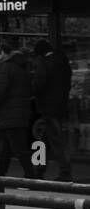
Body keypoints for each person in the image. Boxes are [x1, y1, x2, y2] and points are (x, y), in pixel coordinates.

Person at [0, 42, 37, 179]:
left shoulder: (6, 68)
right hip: (20, 112)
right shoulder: (23, 69)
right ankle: (0, 172)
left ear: (5, 53)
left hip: (8, 112)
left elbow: (0, 90)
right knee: (8, 146)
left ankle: (30, 174)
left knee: (17, 146)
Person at [31, 39, 75, 182]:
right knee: (46, 138)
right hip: (61, 105)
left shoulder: (43, 63)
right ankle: (39, 169)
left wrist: (32, 92)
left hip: (48, 107)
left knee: (55, 140)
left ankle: (64, 172)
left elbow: (38, 84)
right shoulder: (63, 63)